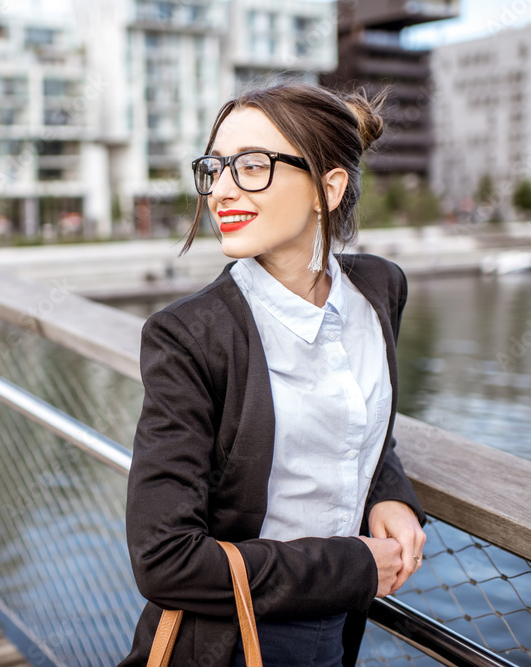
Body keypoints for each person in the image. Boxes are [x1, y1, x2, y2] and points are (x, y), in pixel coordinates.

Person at [120, 82, 428, 667]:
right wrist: (356, 565)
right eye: (216, 168)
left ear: (328, 188)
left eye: (253, 166)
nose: (223, 190)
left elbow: (355, 411)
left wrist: (390, 490)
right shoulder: (189, 336)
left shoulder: (381, 289)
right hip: (229, 640)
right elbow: (164, 560)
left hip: (340, 632)